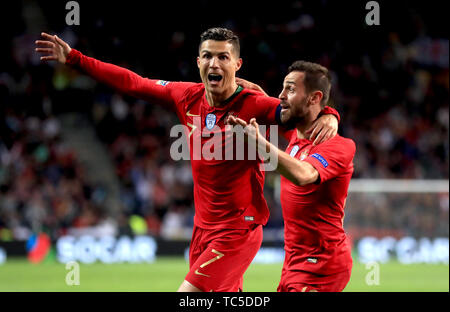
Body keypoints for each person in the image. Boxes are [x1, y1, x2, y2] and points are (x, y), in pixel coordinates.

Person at [35, 28, 340, 292]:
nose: (214, 63)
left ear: (237, 64)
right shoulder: (185, 96)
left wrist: (330, 114)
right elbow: (132, 82)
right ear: (198, 62)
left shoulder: (254, 104)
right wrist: (75, 58)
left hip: (238, 229)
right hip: (202, 229)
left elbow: (301, 113)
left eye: (223, 57)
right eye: (207, 56)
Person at [228, 60, 355, 292]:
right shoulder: (297, 136)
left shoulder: (340, 147)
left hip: (322, 264)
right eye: (283, 88)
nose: (282, 95)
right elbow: (289, 114)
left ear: (314, 98)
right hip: (294, 262)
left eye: (291, 89)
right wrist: (260, 95)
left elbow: (304, 174)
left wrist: (258, 143)